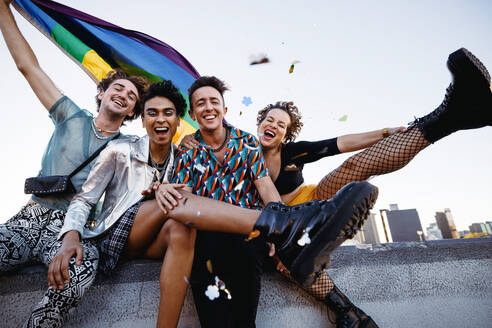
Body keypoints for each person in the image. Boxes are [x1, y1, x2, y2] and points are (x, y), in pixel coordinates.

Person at [179, 47, 492, 327]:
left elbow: (341, 144)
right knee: (287, 256)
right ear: (258, 122)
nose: (273, 125)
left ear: (286, 134)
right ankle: (348, 313)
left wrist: (385, 131)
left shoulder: (293, 152)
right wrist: (190, 138)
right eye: (269, 120)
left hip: (308, 205)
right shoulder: (237, 146)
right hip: (264, 223)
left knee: (351, 168)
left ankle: (446, 117)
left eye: (281, 124)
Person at [169, 76, 379, 328]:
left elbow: (265, 185)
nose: (208, 107)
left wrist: (277, 232)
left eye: (214, 101)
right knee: (214, 317)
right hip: (206, 237)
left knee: (243, 314)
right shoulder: (187, 151)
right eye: (200, 103)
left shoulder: (246, 143)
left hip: (246, 236)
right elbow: (186, 196)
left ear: (225, 110)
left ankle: (348, 309)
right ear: (192, 112)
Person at [0, 1, 148, 326]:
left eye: (132, 96)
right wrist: (2, 11)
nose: (123, 94)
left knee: (77, 273)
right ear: (103, 92)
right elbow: (29, 67)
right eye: (117, 87)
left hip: (75, 229)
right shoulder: (69, 115)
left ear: (134, 111)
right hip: (30, 216)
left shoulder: (130, 148)